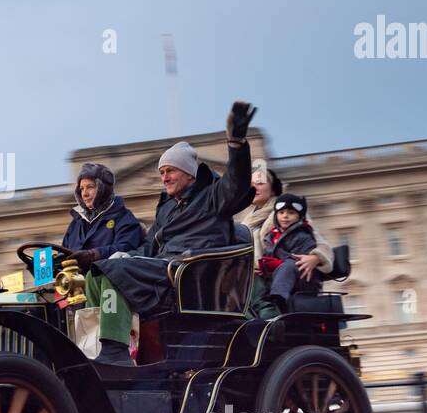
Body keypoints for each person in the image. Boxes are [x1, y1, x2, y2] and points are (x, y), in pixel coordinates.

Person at [85, 101, 256, 365]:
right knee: (96, 274)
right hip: (163, 271)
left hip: (192, 278)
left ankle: (115, 351)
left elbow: (237, 182)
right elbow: (148, 249)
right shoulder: (166, 209)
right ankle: (108, 341)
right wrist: (124, 255)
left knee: (114, 272)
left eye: (170, 171)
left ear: (189, 174)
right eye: (162, 172)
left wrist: (236, 144)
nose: (164, 177)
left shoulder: (213, 197)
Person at [238, 163, 334, 303]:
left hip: (288, 279)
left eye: (259, 183)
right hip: (255, 278)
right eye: (251, 184)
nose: (254, 187)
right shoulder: (246, 222)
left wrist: (316, 258)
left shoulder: (288, 212)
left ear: (272, 189)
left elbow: (320, 244)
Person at [61, 163, 144, 267]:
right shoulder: (75, 224)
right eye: (81, 189)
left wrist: (94, 255)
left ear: (103, 189)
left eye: (90, 187)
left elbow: (126, 249)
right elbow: (63, 255)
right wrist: (45, 265)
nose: (84, 194)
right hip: (75, 281)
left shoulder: (124, 217)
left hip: (106, 278)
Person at [255, 193, 321, 316]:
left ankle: (278, 299)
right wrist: (264, 267)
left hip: (302, 279)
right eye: (281, 213)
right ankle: (257, 304)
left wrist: (278, 263)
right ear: (276, 215)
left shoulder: (304, 236)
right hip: (279, 278)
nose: (285, 216)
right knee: (255, 275)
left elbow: (301, 260)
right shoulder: (270, 237)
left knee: (289, 265)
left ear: (299, 216)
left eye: (291, 213)